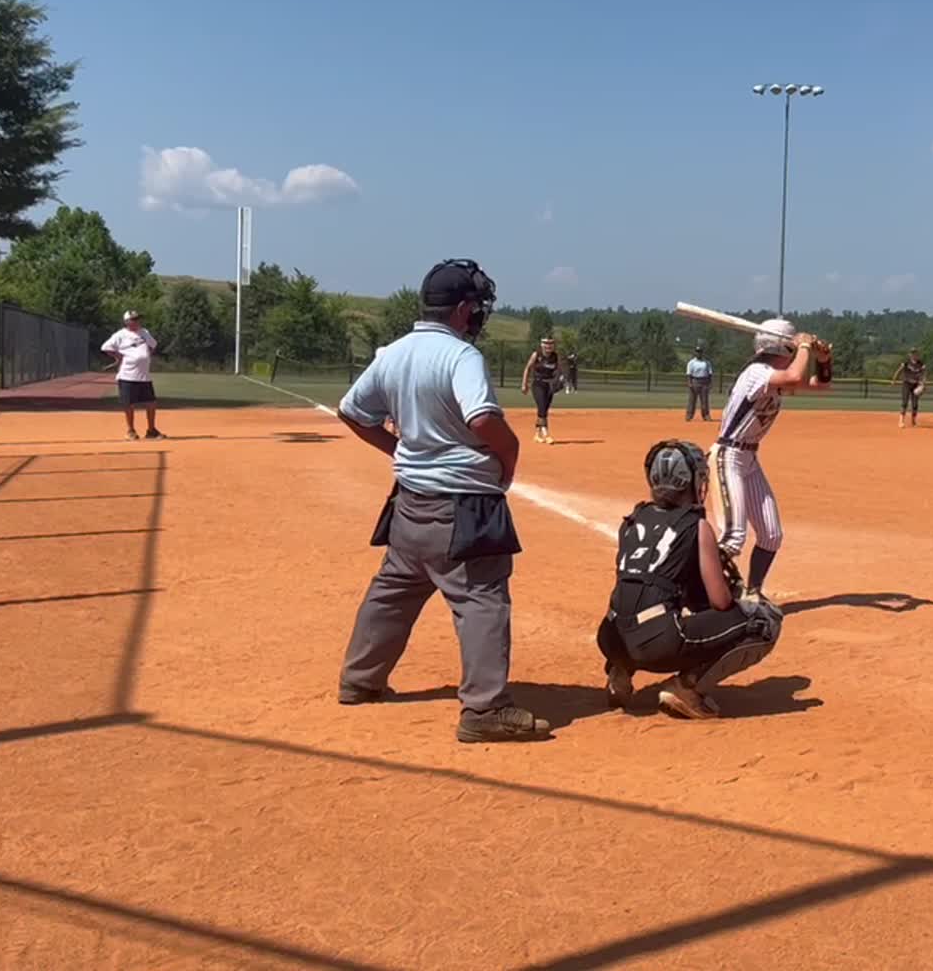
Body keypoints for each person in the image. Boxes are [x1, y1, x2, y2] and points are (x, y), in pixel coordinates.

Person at [334, 258, 549, 744]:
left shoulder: (393, 352)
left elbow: (352, 410)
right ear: (461, 310)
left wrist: (398, 449)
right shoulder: (460, 356)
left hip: (410, 502)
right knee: (482, 600)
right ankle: (484, 710)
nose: (477, 316)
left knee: (395, 589)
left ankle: (360, 679)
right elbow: (482, 419)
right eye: (475, 307)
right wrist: (509, 455)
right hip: (465, 505)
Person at [597, 440, 785, 719]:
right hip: (655, 644)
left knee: (640, 603)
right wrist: (735, 594)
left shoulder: (633, 519)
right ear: (690, 481)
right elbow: (720, 603)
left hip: (611, 638)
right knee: (763, 621)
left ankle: (620, 672)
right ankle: (687, 688)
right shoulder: (697, 525)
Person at [709, 318, 831, 599]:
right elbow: (794, 377)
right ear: (784, 347)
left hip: (749, 459)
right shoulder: (756, 372)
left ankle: (753, 593)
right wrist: (804, 346)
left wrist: (823, 359)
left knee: (771, 534)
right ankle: (691, 594)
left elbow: (820, 385)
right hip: (728, 455)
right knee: (733, 537)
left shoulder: (773, 377)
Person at [101, 310, 165, 442]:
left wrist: (145, 356)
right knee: (128, 404)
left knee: (151, 403)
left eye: (138, 319)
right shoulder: (120, 335)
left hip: (144, 376)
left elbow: (153, 345)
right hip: (127, 375)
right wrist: (118, 356)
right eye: (133, 319)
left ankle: (151, 431)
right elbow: (105, 347)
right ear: (127, 322)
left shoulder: (144, 332)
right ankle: (130, 431)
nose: (137, 321)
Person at [520, 336, 561, 445]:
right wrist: (524, 384)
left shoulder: (555, 357)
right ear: (542, 345)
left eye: (551, 344)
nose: (548, 346)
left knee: (543, 410)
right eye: (546, 344)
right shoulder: (536, 355)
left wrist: (558, 381)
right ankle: (546, 434)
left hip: (549, 385)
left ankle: (537, 434)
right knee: (542, 407)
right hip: (538, 384)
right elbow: (527, 368)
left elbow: (558, 371)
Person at [890, 348, 927, 428]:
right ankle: (901, 421)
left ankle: (913, 421)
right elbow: (899, 371)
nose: (914, 355)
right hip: (906, 384)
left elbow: (924, 374)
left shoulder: (921, 364)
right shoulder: (906, 363)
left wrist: (923, 384)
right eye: (912, 353)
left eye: (915, 353)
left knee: (915, 404)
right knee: (905, 402)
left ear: (917, 354)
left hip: (916, 385)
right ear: (910, 355)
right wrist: (894, 380)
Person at [685, 343, 715, 422]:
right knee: (692, 400)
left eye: (700, 351)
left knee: (704, 400)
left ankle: (706, 415)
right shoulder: (691, 363)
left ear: (702, 353)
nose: (699, 353)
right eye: (697, 351)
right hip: (695, 380)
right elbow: (689, 374)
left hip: (704, 382)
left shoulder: (706, 362)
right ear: (695, 352)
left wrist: (710, 383)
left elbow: (710, 373)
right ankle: (689, 415)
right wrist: (689, 383)